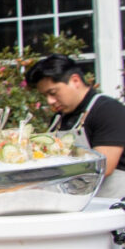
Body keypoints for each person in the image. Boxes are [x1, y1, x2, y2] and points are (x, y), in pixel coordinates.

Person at [26, 54, 125, 199]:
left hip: (114, 203)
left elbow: (105, 166)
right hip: (77, 200)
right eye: (45, 96)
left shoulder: (107, 110)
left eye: (53, 93)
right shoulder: (59, 119)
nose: (50, 101)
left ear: (75, 80)